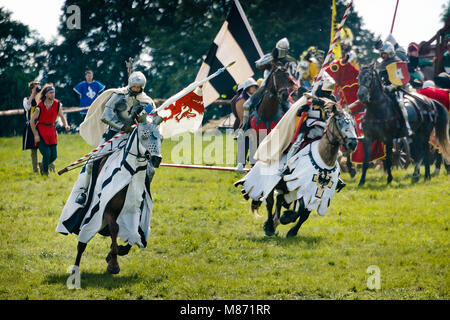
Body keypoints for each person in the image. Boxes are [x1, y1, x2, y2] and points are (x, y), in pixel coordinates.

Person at [75, 71, 156, 205]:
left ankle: (143, 193)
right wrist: (122, 127)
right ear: (130, 85)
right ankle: (85, 191)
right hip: (114, 135)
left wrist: (145, 120)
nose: (136, 89)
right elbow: (105, 116)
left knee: (150, 168)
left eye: (138, 87)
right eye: (134, 87)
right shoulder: (118, 96)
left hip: (134, 138)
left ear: (142, 87)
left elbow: (149, 118)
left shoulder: (146, 102)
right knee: (91, 163)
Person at [243, 38, 296, 116]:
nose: (283, 52)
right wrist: (270, 59)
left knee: (290, 109)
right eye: (281, 50)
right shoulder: (269, 56)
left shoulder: (289, 60)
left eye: (285, 50)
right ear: (277, 49)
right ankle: (245, 126)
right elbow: (258, 65)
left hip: (282, 87)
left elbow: (293, 74)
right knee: (247, 105)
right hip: (266, 85)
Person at [30, 84, 70, 176]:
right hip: (41, 131)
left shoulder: (57, 104)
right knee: (47, 154)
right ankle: (45, 173)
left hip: (51, 131)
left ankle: (43, 165)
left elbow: (62, 116)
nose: (53, 94)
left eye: (53, 92)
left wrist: (66, 125)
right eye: (50, 93)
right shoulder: (39, 107)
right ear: (46, 94)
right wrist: (35, 134)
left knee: (54, 155)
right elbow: (32, 121)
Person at [377, 37, 413, 136]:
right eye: (382, 54)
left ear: (390, 52)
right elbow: (380, 79)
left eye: (385, 53)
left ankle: (406, 126)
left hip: (398, 89)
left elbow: (401, 78)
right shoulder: (381, 65)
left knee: (400, 103)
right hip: (384, 91)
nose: (383, 55)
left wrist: (391, 86)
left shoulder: (396, 62)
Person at [232, 78, 259, 171]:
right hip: (245, 126)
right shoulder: (241, 99)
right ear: (247, 88)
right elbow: (243, 117)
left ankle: (253, 165)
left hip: (254, 125)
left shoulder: (253, 97)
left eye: (255, 87)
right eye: (252, 87)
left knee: (254, 146)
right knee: (243, 145)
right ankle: (240, 166)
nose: (255, 89)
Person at [22, 81, 41, 173]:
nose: (37, 89)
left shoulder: (42, 98)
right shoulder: (26, 99)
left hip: (42, 125)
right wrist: (33, 94)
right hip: (31, 125)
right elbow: (27, 107)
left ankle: (46, 165)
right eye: (35, 87)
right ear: (31, 89)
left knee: (46, 147)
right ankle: (35, 170)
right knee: (33, 149)